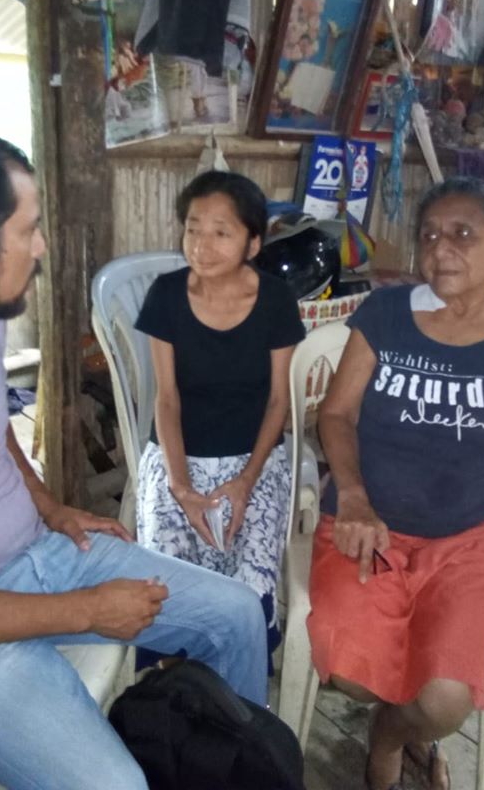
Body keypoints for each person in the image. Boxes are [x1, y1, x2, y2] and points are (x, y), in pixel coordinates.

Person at [0, 129, 268, 790]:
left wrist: (50, 507)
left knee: (237, 617)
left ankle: (238, 772)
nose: (42, 247)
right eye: (29, 230)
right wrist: (86, 609)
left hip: (40, 553)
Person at [307, 176, 484, 790]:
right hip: (369, 525)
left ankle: (389, 736)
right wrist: (354, 497)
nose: (441, 248)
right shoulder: (385, 314)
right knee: (349, 673)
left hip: (473, 540)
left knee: (445, 701)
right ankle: (393, 710)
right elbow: (336, 414)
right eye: (429, 235)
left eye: (463, 233)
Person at [135, 170, 306, 656]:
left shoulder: (275, 300)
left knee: (249, 583)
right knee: (165, 581)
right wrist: (180, 485)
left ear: (253, 243)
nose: (201, 245)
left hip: (252, 460)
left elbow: (279, 402)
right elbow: (166, 399)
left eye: (220, 232)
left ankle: (236, 683)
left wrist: (246, 481)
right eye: (193, 228)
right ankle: (171, 680)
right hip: (177, 457)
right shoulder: (167, 294)